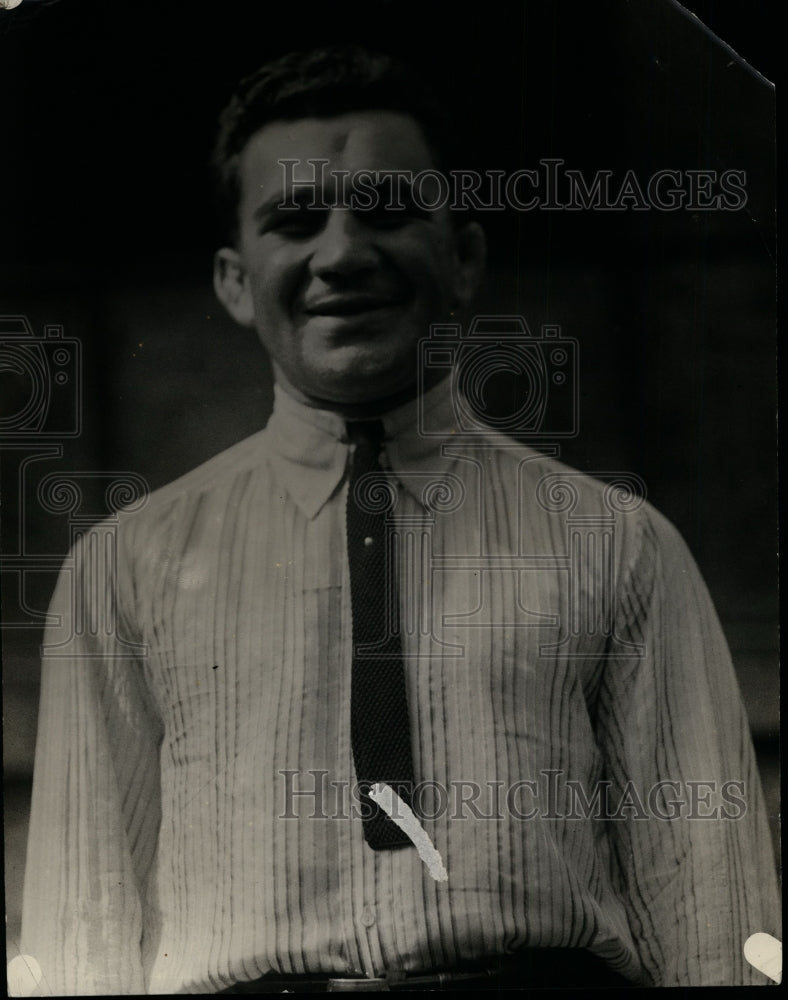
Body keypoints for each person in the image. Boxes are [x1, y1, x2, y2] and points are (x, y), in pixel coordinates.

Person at [20, 45, 779, 994]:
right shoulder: (123, 568)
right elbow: (83, 923)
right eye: (295, 220)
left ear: (462, 258)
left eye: (385, 211)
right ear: (234, 280)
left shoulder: (621, 546)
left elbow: (714, 917)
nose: (341, 253)